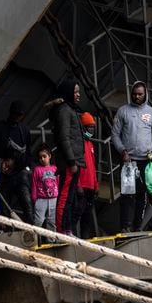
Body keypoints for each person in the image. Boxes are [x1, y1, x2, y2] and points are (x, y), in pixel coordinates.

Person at [111, 80, 152, 232]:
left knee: (143, 195)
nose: (137, 97)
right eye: (134, 94)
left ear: (145, 94)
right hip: (128, 162)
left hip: (146, 163)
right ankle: (125, 227)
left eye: (140, 94)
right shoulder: (123, 111)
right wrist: (123, 151)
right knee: (127, 194)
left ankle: (137, 227)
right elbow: (115, 135)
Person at [0, 100, 34, 224]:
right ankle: (6, 233)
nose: (17, 117)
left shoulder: (24, 130)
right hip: (2, 175)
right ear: (11, 112)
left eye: (20, 115)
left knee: (27, 205)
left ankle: (34, 234)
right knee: (4, 209)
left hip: (19, 174)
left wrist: (26, 167)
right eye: (16, 114)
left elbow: (28, 153)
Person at [47, 78, 84, 235]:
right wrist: (71, 161)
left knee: (70, 197)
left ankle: (67, 229)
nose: (78, 95)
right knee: (64, 196)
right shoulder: (64, 111)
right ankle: (62, 230)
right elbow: (64, 137)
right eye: (75, 92)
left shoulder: (70, 109)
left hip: (75, 160)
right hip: (70, 162)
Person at [72, 112, 99, 239]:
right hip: (82, 185)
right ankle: (73, 234)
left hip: (90, 186)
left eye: (93, 127)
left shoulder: (90, 144)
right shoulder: (79, 143)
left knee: (87, 214)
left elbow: (93, 166)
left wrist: (96, 185)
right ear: (83, 128)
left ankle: (84, 237)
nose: (92, 129)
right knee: (78, 212)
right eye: (89, 127)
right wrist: (78, 184)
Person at [31, 143, 58, 234]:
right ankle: (35, 241)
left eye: (44, 156)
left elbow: (58, 183)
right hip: (41, 200)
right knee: (38, 221)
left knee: (52, 222)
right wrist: (35, 200)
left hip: (54, 199)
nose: (42, 159)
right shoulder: (37, 169)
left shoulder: (55, 168)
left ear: (49, 156)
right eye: (40, 157)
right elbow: (34, 185)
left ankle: (51, 242)